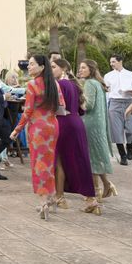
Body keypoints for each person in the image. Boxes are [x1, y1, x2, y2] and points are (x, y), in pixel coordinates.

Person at [10, 55, 64, 219]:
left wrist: (17, 130)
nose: (29, 67)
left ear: (42, 67)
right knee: (49, 162)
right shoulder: (54, 83)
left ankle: (43, 203)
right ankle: (51, 197)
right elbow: (62, 106)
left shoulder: (32, 84)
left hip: (38, 129)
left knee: (39, 164)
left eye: (32, 64)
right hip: (53, 126)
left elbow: (27, 111)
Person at [51, 59, 98, 214]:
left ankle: (60, 197)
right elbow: (82, 109)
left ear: (63, 68)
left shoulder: (60, 85)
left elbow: (55, 108)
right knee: (81, 160)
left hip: (64, 123)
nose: (51, 70)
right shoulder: (74, 84)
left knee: (59, 162)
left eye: (53, 67)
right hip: (77, 123)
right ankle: (91, 198)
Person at [78, 59, 116, 200]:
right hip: (98, 124)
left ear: (91, 69)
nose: (80, 70)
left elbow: (88, 106)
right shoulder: (98, 83)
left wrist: (77, 98)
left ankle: (95, 191)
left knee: (91, 158)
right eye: (80, 68)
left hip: (90, 125)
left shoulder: (89, 83)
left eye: (83, 67)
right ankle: (106, 185)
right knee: (95, 157)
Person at [104, 54, 132, 165]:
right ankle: (122, 155)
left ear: (120, 61)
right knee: (116, 131)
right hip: (114, 104)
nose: (111, 64)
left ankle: (129, 148)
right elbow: (106, 92)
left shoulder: (131, 75)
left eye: (113, 62)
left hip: (129, 103)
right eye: (110, 62)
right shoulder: (108, 76)